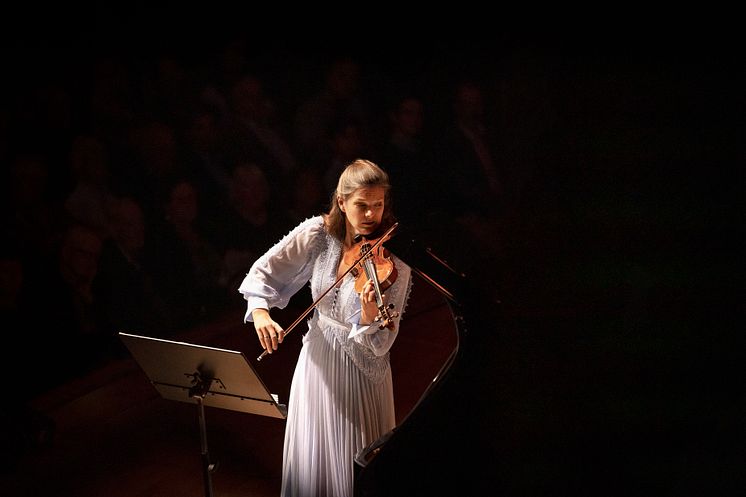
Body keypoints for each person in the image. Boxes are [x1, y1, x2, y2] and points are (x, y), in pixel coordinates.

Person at [238, 159, 413, 497]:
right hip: (317, 363)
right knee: (313, 467)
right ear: (342, 201)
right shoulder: (318, 235)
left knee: (355, 472)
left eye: (378, 206)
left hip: (362, 376)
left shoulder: (394, 259)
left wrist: (366, 314)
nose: (370, 215)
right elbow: (262, 272)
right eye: (362, 205)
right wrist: (260, 313)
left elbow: (381, 343)